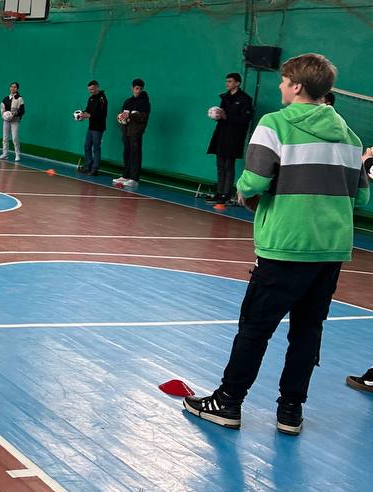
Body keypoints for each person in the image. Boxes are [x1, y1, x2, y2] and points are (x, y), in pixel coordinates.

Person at [184, 53, 369, 436]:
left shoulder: (274, 124)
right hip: (330, 249)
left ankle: (228, 402)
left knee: (255, 328)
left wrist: (247, 193)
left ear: (297, 86)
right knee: (307, 331)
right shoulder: (351, 137)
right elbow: (362, 198)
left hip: (285, 245)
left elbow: (252, 182)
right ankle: (290, 412)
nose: (281, 86)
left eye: (284, 80)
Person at [206, 71, 254, 204]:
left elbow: (245, 119)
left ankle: (226, 194)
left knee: (228, 165)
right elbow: (222, 115)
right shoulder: (225, 97)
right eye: (226, 81)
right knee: (220, 164)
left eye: (230, 81)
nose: (227, 83)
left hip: (233, 137)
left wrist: (226, 116)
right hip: (221, 134)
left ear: (237, 83)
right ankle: (219, 192)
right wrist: (217, 115)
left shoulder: (245, 99)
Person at [114, 79, 150, 189]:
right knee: (127, 153)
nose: (138, 91)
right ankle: (125, 176)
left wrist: (130, 115)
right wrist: (120, 117)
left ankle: (134, 179)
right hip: (126, 131)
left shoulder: (145, 103)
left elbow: (142, 117)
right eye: (136, 88)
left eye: (140, 89)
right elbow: (123, 115)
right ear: (132, 88)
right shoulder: (128, 101)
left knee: (135, 154)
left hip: (136, 132)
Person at [76, 79, 107, 175]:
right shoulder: (91, 98)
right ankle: (87, 166)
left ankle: (94, 169)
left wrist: (89, 116)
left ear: (97, 87)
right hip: (91, 127)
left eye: (92, 89)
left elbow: (102, 115)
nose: (91, 91)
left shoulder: (102, 99)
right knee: (87, 146)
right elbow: (87, 110)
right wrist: (82, 115)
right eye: (89, 90)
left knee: (96, 148)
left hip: (98, 128)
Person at [0, 82, 25, 163]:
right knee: (5, 138)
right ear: (10, 88)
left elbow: (22, 111)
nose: (13, 88)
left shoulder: (19, 99)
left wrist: (15, 114)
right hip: (6, 121)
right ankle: (5, 154)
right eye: (12, 87)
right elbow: (2, 109)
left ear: (17, 89)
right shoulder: (6, 99)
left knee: (14, 137)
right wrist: (4, 115)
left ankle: (17, 154)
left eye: (15, 87)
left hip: (15, 121)